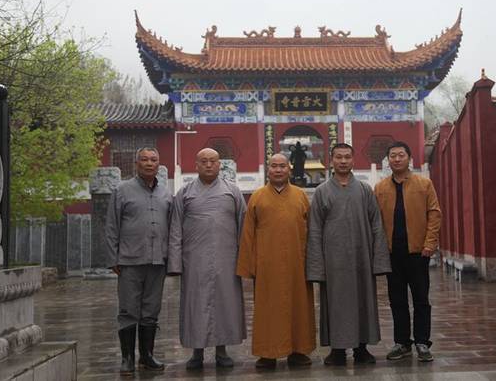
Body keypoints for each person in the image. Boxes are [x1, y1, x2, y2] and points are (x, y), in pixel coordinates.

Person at [306, 143, 391, 366]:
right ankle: (337, 350)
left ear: (353, 160)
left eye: (347, 157)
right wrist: (316, 266)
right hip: (333, 261)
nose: (343, 161)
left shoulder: (364, 190)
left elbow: (376, 226)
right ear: (331, 160)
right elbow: (314, 230)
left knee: (364, 301)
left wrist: (378, 261)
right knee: (334, 304)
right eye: (338, 157)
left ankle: (362, 348)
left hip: (361, 257)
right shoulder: (322, 191)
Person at [167, 148, 247, 370]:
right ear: (196, 164)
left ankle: (222, 350)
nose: (209, 165)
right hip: (194, 260)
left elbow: (244, 227)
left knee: (225, 305)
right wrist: (175, 264)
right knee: (195, 305)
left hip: (227, 258)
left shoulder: (232, 191)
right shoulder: (185, 193)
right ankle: (196, 352)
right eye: (204, 161)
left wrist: (245, 260)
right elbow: (175, 230)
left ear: (219, 164)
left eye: (213, 161)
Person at [237, 153, 316, 369]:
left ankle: (299, 351)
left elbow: (311, 232)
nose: (278, 170)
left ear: (289, 169)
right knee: (267, 310)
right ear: (268, 170)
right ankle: (267, 353)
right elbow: (248, 233)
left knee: (299, 307)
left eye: (282, 166)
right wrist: (249, 265)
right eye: (274, 166)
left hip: (297, 263)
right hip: (267, 264)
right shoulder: (258, 197)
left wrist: (313, 263)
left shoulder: (300, 196)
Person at [105, 147, 172, 375]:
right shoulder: (122, 190)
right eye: (144, 159)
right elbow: (112, 226)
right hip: (129, 260)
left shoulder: (166, 193)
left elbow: (172, 227)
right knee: (128, 309)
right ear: (136, 163)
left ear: (159, 164)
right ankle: (127, 358)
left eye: (154, 159)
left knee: (151, 309)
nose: (149, 163)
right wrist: (112, 258)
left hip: (157, 261)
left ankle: (146, 356)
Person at [374, 141, 441, 362]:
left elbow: (434, 214)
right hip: (393, 253)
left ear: (409, 158)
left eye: (401, 155)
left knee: (421, 298)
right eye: (392, 156)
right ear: (388, 160)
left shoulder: (424, 184)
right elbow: (375, 222)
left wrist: (429, 244)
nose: (396, 159)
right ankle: (402, 342)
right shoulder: (381, 188)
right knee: (397, 300)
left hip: (418, 252)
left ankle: (422, 342)